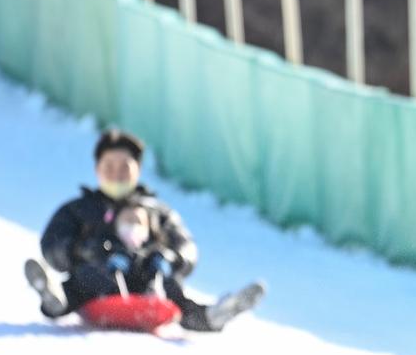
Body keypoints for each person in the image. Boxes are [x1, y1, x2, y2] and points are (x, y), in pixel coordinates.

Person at [24, 129, 264, 333]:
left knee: (173, 289)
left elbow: (186, 245)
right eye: (109, 166)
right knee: (84, 279)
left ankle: (212, 315)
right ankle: (55, 299)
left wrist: (172, 258)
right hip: (98, 282)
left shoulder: (158, 213)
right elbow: (53, 242)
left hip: (150, 283)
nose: (117, 173)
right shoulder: (80, 210)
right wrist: (82, 250)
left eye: (124, 167)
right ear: (98, 169)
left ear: (137, 169)